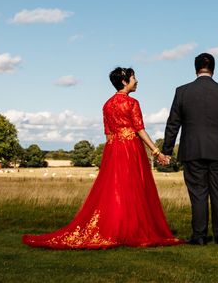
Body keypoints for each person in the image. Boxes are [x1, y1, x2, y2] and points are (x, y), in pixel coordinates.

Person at [22, 67, 184, 249]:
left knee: (115, 189)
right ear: (124, 81)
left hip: (114, 149)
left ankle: (116, 229)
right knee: (133, 188)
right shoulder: (132, 103)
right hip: (130, 148)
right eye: (133, 77)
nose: (136, 81)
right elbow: (139, 129)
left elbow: (108, 135)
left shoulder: (107, 105)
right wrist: (156, 152)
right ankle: (131, 231)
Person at [162, 53, 218, 245]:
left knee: (198, 193)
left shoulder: (182, 92)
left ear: (195, 68)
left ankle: (199, 236)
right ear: (214, 68)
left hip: (192, 150)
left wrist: (167, 151)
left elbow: (173, 123)